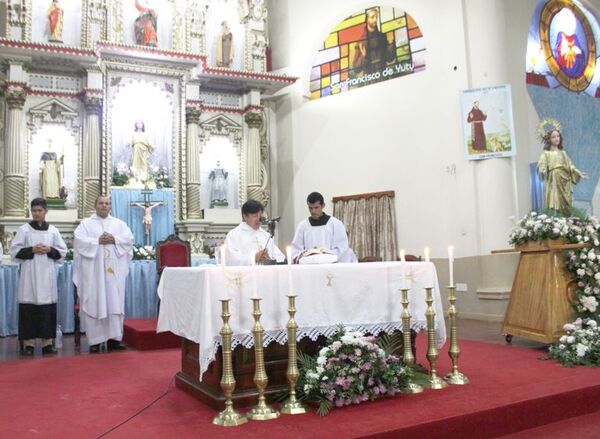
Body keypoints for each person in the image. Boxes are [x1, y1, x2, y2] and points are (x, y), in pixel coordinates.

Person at [73, 195, 133, 353]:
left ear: (110, 206)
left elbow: (128, 240)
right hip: (94, 275)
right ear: (95, 205)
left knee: (114, 302)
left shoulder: (119, 224)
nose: (104, 205)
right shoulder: (85, 224)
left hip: (113, 275)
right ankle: (95, 341)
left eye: (107, 203)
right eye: (101, 203)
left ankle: (114, 339)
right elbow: (79, 242)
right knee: (95, 301)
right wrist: (97, 241)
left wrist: (114, 239)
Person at [10, 198, 67, 356]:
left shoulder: (53, 231)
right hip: (29, 275)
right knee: (28, 307)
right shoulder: (24, 230)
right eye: (34, 210)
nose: (36, 213)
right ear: (31, 211)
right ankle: (28, 344)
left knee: (46, 308)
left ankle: (47, 343)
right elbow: (14, 252)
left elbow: (62, 252)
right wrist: (32, 249)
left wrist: (49, 249)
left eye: (39, 210)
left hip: (47, 275)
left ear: (46, 211)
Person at [291, 192, 357, 263]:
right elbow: (296, 250)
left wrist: (324, 255)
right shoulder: (302, 226)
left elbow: (342, 248)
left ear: (323, 205)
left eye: (316, 207)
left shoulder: (336, 224)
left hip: (331, 266)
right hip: (309, 266)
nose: (313, 211)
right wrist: (310, 255)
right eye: (310, 208)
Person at [537, 129, 588, 215]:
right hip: (554, 180)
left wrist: (578, 172)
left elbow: (570, 165)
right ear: (549, 139)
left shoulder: (563, 153)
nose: (556, 138)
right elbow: (542, 165)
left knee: (566, 204)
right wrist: (542, 170)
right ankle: (556, 221)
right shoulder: (546, 154)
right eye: (553, 137)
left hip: (565, 181)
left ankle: (566, 220)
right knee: (555, 201)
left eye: (558, 136)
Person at [224, 199, 285, 265]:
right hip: (246, 274)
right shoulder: (234, 235)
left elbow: (280, 257)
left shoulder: (266, 235)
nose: (259, 219)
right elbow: (231, 260)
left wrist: (269, 258)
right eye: (255, 216)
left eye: (260, 216)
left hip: (266, 273)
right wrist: (254, 257)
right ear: (245, 217)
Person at [351, 8, 395, 76]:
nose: (375, 20)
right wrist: (363, 56)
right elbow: (356, 69)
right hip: (369, 79)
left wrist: (391, 44)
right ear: (367, 19)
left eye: (376, 17)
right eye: (372, 17)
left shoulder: (382, 37)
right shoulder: (361, 42)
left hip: (383, 76)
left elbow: (390, 58)